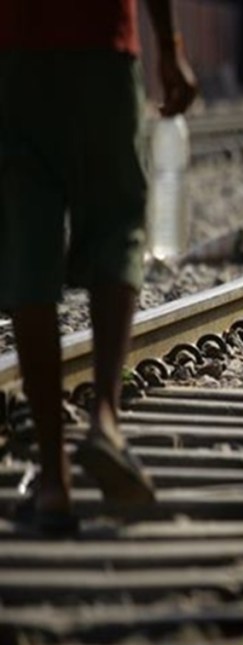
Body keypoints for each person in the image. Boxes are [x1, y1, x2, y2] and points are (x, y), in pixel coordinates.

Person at [0, 0, 198, 533]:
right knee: (118, 222)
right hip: (102, 46)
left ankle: (53, 483)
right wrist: (170, 49)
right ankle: (105, 419)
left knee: (26, 241)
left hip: (16, 55)